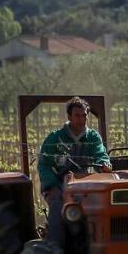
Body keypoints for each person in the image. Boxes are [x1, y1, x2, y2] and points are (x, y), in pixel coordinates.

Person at [37, 97, 111, 244]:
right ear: (69, 117)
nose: (81, 119)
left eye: (84, 115)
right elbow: (44, 164)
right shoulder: (55, 138)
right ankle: (55, 245)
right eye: (77, 115)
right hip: (58, 184)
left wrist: (104, 164)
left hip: (85, 184)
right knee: (58, 206)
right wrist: (51, 185)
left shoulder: (93, 137)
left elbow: (100, 154)